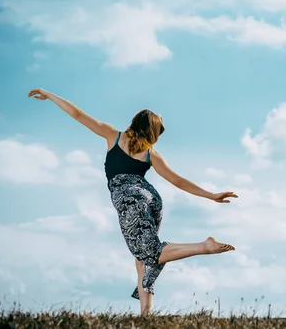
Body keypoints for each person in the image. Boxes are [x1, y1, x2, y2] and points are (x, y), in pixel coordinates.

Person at [28, 88, 238, 315]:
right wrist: (211, 195)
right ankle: (146, 315)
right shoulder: (151, 154)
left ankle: (204, 247)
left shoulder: (114, 136)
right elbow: (178, 181)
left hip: (130, 200)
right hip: (151, 198)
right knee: (143, 259)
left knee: (151, 252)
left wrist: (50, 95)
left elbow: (78, 114)